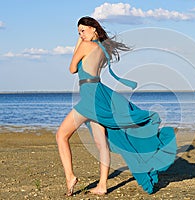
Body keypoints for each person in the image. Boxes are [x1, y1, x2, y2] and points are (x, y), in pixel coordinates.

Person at [56, 16, 177, 196]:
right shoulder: (103, 49)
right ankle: (102, 186)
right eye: (78, 32)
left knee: (61, 135)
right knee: (101, 144)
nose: (81, 34)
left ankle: (70, 177)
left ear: (93, 29)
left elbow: (72, 68)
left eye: (83, 30)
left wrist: (79, 40)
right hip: (99, 94)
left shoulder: (86, 46)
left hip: (90, 98)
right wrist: (82, 35)